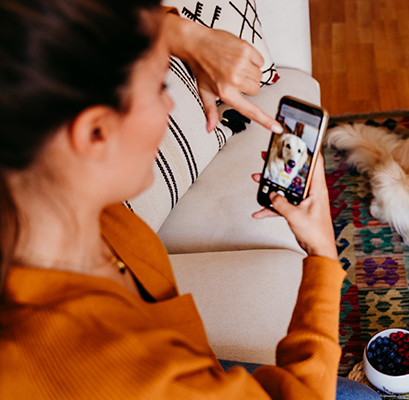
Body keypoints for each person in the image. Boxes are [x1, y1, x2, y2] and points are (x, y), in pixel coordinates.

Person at [0, 1, 379, 399]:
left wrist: (186, 38)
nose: (170, 104)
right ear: (95, 132)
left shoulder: (56, 199)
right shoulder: (132, 374)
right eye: (160, 87)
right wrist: (321, 254)